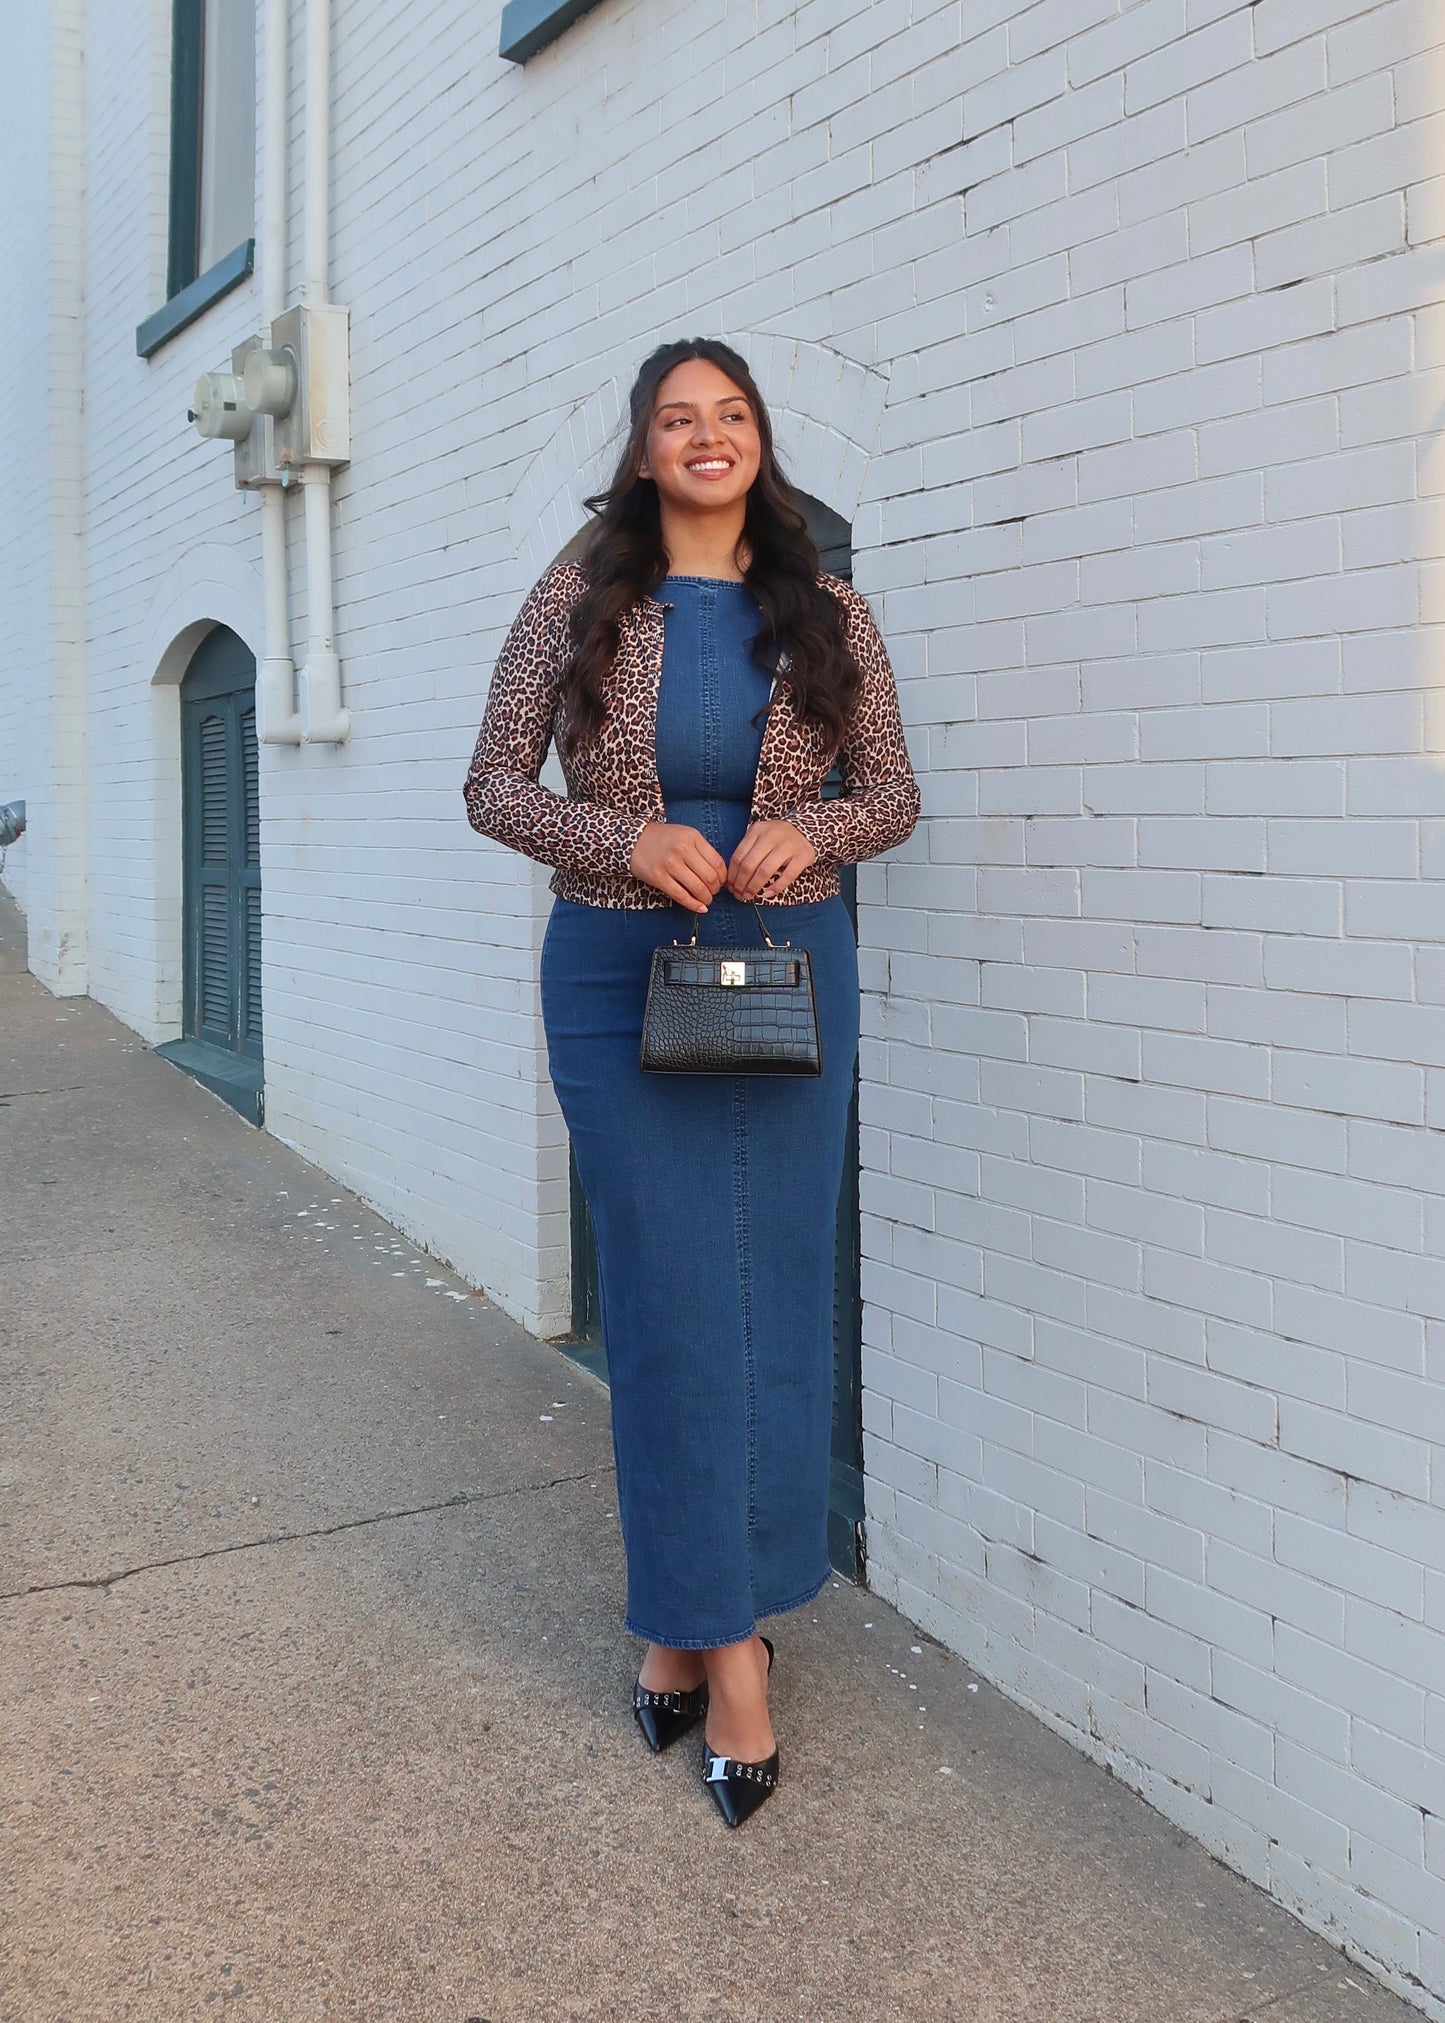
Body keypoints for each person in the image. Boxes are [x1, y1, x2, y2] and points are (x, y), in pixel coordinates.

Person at [464, 337, 919, 1827]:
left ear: (759, 444)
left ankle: (693, 1630)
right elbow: (492, 786)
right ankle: (720, 1644)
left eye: (729, 415)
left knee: (768, 1295)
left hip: (785, 976)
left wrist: (824, 835)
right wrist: (621, 840)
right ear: (645, 451)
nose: (705, 436)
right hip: (615, 976)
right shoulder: (581, 596)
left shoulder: (827, 609)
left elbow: (893, 793)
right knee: (665, 1306)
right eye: (677, 418)